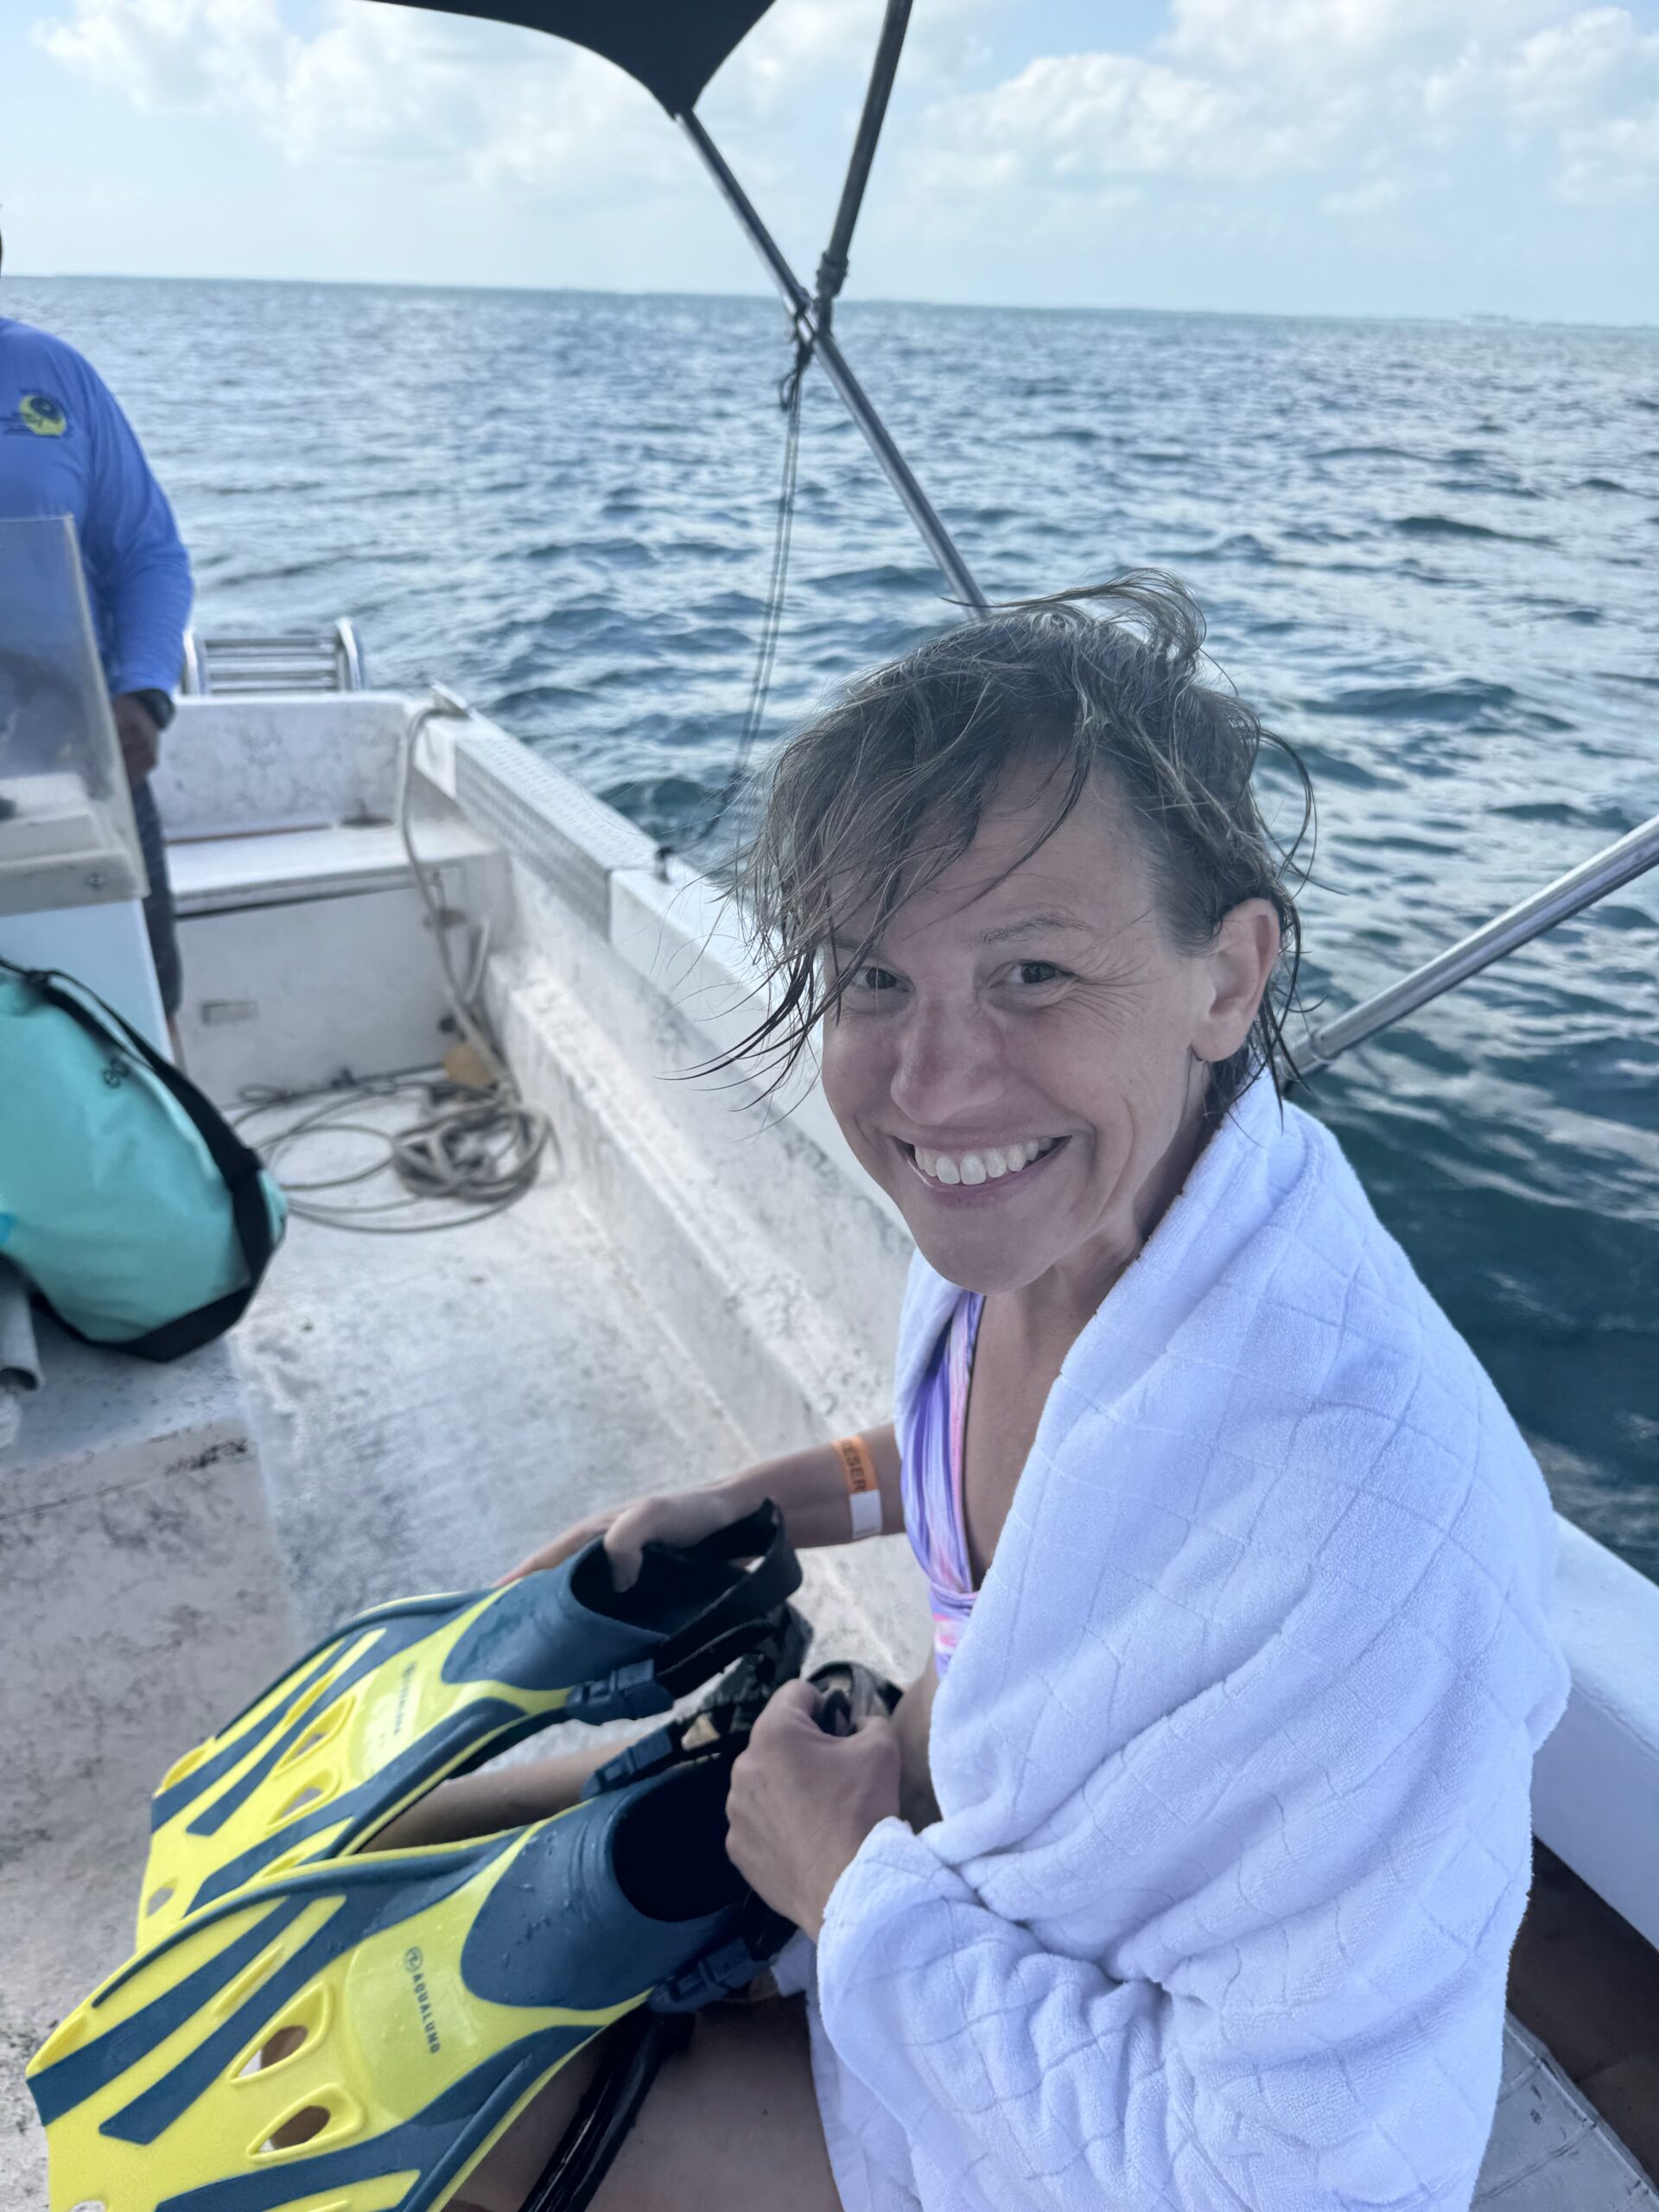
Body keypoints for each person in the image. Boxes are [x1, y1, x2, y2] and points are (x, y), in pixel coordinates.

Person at [393, 576, 1568, 2212]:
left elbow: (1299, 2183)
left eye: (1030, 972)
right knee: (389, 1855)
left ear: (1229, 979)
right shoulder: (1037, 1237)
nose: (933, 1087)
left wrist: (847, 1891)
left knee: (406, 2124)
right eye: (872, 978)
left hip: (1025, 2085)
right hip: (923, 1841)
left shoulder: (1365, 1537)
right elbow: (960, 1466)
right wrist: (759, 1502)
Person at [0, 232, 193, 1027]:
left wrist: (143, 693)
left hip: (80, 762)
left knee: (140, 1010)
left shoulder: (54, 374)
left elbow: (149, 553)